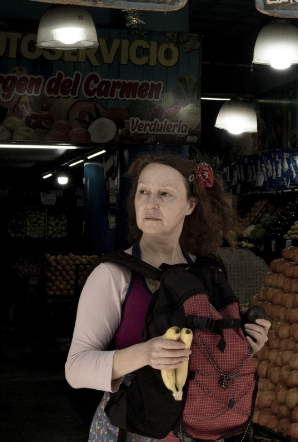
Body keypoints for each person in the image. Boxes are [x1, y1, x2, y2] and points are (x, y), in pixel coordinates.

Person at [65, 154, 271, 442]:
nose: (151, 203)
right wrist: (145, 354)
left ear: (191, 205)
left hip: (199, 428)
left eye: (165, 194)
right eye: (143, 192)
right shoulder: (114, 273)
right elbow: (75, 369)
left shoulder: (207, 274)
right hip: (134, 428)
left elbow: (212, 355)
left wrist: (244, 345)